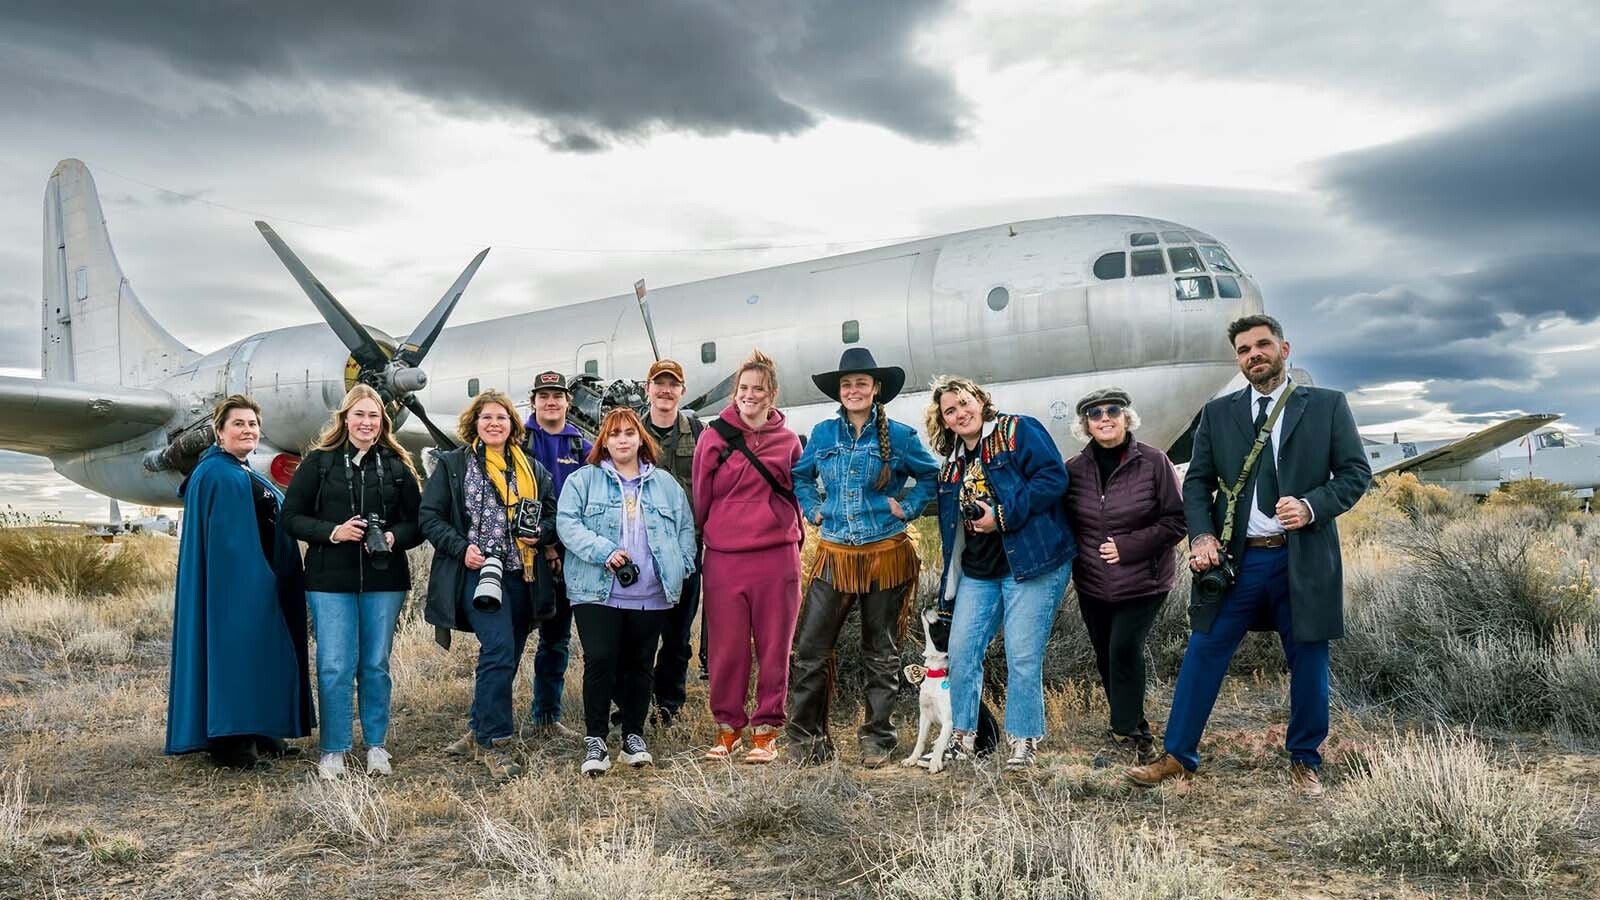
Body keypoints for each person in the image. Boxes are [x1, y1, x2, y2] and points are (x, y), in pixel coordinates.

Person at [1125, 315, 1371, 799]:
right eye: (1243, 350)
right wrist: (1201, 537)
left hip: (1303, 558)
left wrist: (1310, 506)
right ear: (1238, 360)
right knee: (1203, 652)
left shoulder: (1325, 406)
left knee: (1309, 661)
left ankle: (1305, 760)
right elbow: (1195, 483)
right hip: (1238, 562)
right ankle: (1178, 756)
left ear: (1284, 347)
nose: (1254, 354)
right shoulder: (1218, 413)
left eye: (1262, 345)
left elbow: (1355, 473)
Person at [786, 348, 940, 767]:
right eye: (847, 384)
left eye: (861, 383)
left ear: (875, 390)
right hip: (834, 554)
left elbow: (930, 475)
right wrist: (812, 508)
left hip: (884, 554)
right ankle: (806, 742)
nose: (853, 390)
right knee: (810, 648)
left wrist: (907, 508)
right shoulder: (822, 434)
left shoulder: (902, 436)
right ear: (840, 392)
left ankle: (878, 740)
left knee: (881, 650)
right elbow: (800, 477)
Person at [926, 375, 1074, 770]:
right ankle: (963, 735)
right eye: (950, 411)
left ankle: (1023, 741)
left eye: (964, 402)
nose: (960, 413)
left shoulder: (1017, 430)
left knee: (1022, 654)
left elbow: (1053, 478)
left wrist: (1003, 516)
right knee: (960, 652)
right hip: (978, 571)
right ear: (944, 421)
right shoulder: (952, 465)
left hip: (1031, 563)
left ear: (980, 399)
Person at [282, 384, 425, 780]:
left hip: (385, 580)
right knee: (334, 665)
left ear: (384, 422)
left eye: (374, 416)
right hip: (330, 580)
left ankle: (377, 745)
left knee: (376, 664)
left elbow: (419, 523)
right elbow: (290, 517)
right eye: (359, 415)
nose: (366, 423)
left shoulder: (397, 466)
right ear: (344, 419)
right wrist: (333, 532)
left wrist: (395, 537)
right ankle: (334, 749)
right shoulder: (319, 463)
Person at [166, 395, 314, 768]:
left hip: (262, 581)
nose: (247, 430)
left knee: (262, 652)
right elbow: (227, 546)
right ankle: (233, 741)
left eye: (252, 424)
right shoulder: (217, 474)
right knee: (238, 653)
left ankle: (260, 727)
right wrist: (253, 582)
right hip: (238, 588)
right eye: (238, 424)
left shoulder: (242, 471)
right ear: (219, 432)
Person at [420, 390, 557, 780]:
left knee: (508, 655)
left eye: (502, 417)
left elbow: (551, 515)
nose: (494, 423)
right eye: (486, 418)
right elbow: (430, 517)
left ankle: (479, 727)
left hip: (522, 573)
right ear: (474, 424)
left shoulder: (533, 469)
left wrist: (540, 535)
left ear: (513, 425)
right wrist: (461, 549)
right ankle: (494, 743)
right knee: (496, 649)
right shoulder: (453, 465)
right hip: (476, 571)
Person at [557, 408, 698, 776]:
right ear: (604, 440)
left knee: (640, 664)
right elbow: (567, 524)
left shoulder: (665, 484)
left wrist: (680, 565)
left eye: (629, 433)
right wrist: (604, 552)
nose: (622, 439)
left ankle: (633, 736)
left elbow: (686, 528)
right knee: (600, 659)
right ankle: (596, 740)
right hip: (596, 589)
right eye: (615, 433)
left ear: (641, 439)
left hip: (650, 592)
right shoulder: (583, 481)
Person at [1061, 387, 1185, 768]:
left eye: (1112, 410)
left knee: (1123, 650)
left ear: (1126, 416)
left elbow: (1177, 520)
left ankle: (1123, 735)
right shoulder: (1073, 470)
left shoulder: (1153, 461)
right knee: (1105, 656)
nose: (1104, 418)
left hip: (1144, 580)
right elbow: (1064, 523)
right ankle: (1137, 733)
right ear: (1085, 424)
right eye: (1094, 413)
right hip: (1093, 583)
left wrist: (1128, 547)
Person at [691, 349, 803, 763]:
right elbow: (701, 496)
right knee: (727, 647)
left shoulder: (788, 441)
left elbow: (796, 497)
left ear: (772, 394)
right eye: (743, 388)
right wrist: (709, 537)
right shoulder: (714, 437)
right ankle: (727, 728)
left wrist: (794, 538)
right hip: (725, 556)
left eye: (758, 389)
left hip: (777, 555)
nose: (749, 395)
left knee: (775, 646)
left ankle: (767, 731)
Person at [521, 370, 593, 738]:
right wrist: (544, 544)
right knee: (508, 642)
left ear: (568, 401)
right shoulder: (519, 440)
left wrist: (563, 548)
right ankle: (485, 722)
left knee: (556, 639)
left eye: (557, 395)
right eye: (543, 395)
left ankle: (546, 716)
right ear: (533, 401)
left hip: (568, 558)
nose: (551, 402)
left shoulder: (581, 445)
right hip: (523, 555)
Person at [637, 359, 704, 726]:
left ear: (682, 390)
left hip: (685, 551)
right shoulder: (630, 430)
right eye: (658, 384)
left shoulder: (698, 431)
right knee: (638, 633)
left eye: (672, 384)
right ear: (648, 388)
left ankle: (669, 706)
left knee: (677, 636)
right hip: (640, 548)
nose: (665, 390)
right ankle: (634, 701)